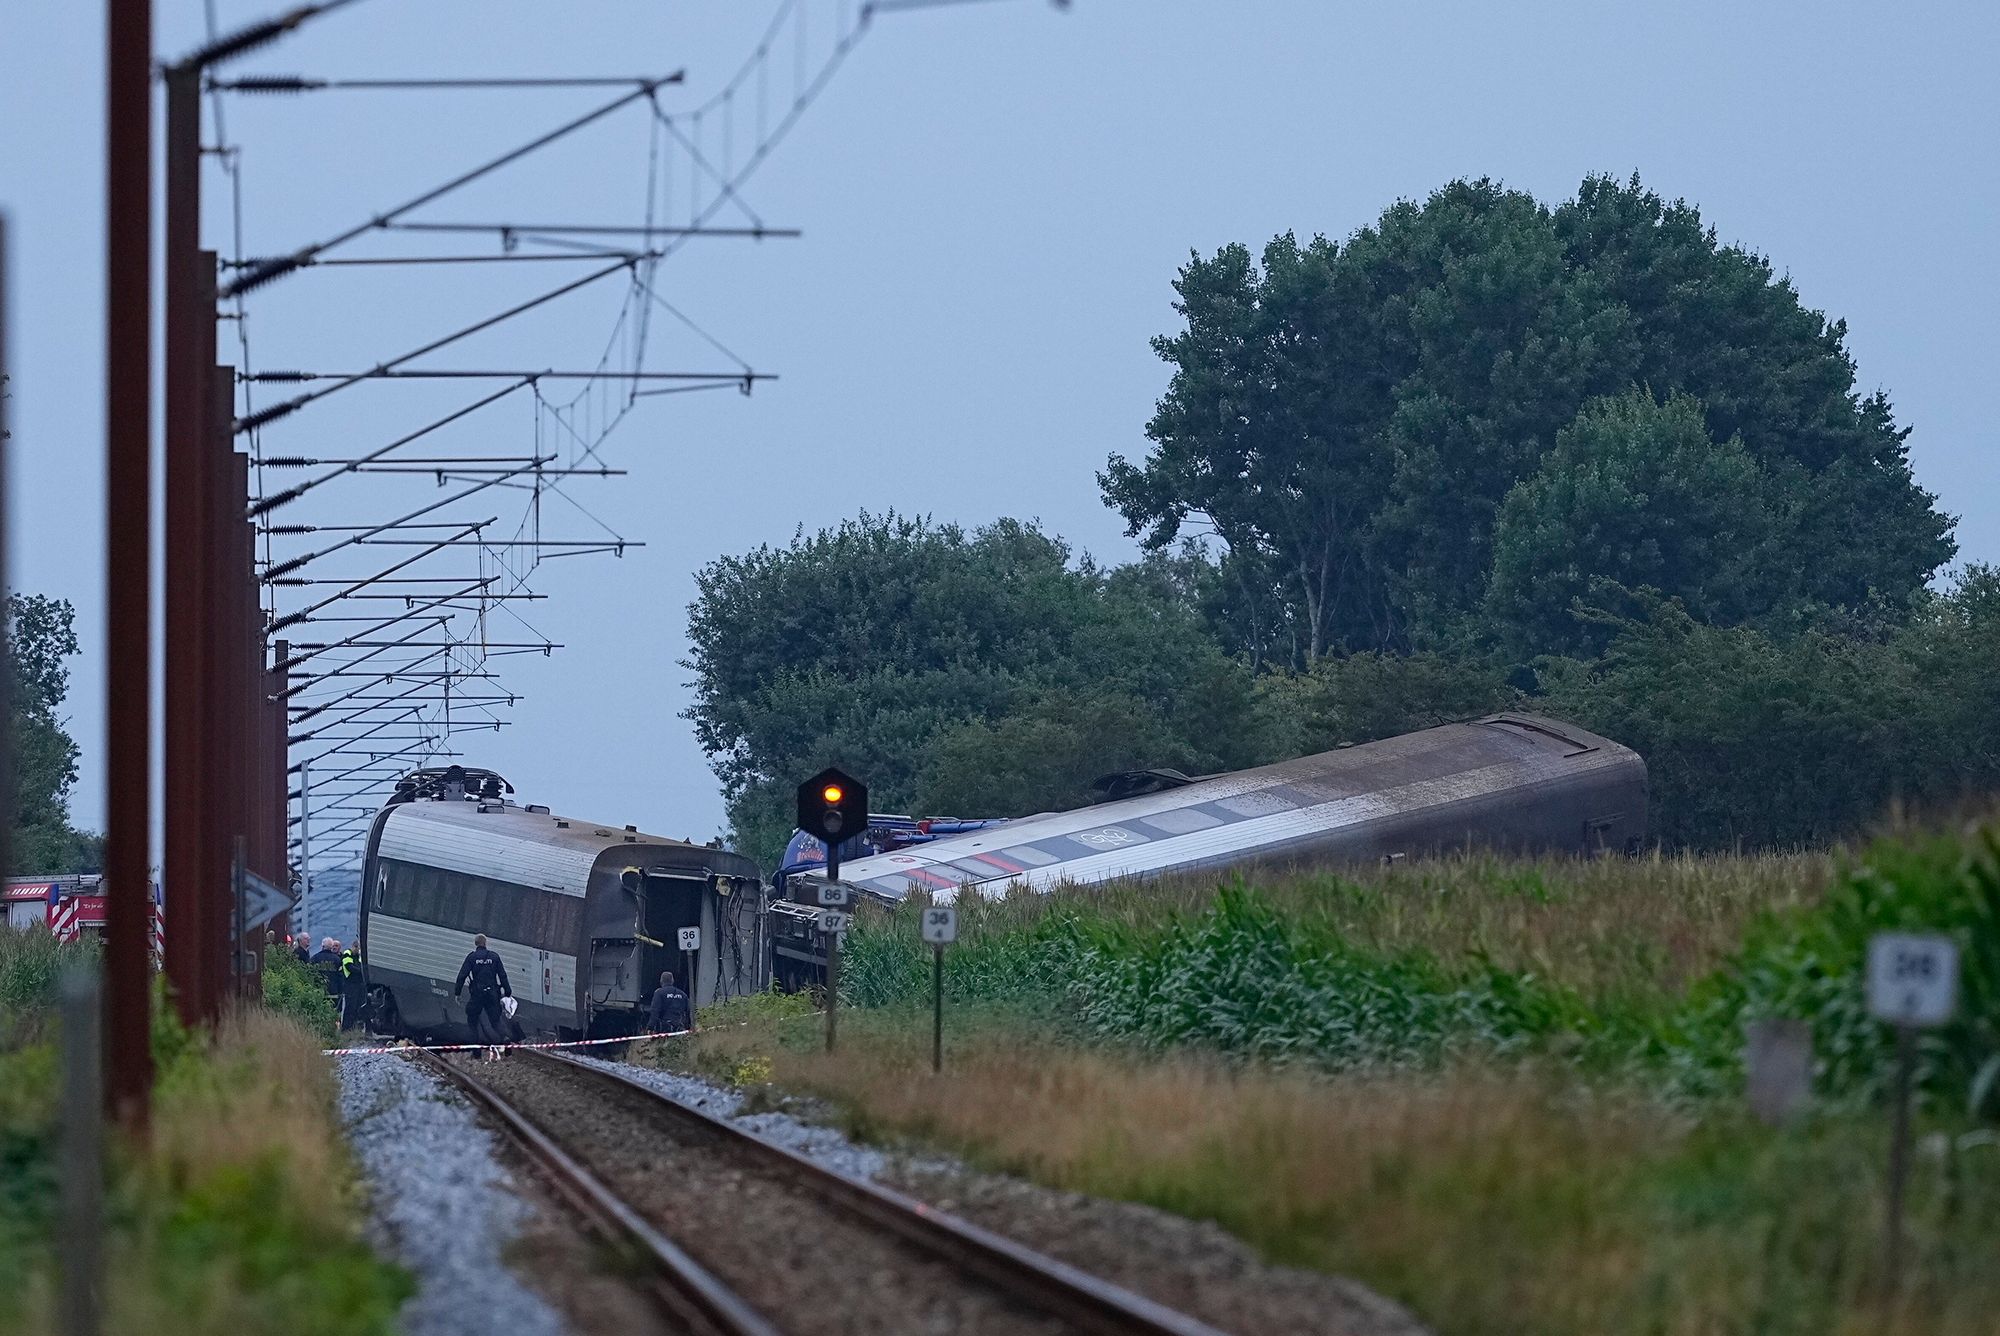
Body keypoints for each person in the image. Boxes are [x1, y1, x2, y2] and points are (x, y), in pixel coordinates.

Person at [454, 934, 513, 1060]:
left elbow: (462, 976)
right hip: (492, 994)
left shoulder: (472, 957)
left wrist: (457, 993)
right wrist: (507, 992)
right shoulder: (494, 957)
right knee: (495, 1020)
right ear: (485, 943)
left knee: (472, 1022)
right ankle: (505, 1038)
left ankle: (476, 1053)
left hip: (477, 995)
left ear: (476, 944)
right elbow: (503, 976)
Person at [646, 970, 691, 1035]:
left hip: (664, 1028)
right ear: (672, 981)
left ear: (661, 981)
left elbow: (655, 1011)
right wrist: (688, 1026)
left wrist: (651, 1027)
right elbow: (688, 1011)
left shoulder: (659, 993)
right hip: (679, 1027)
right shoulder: (683, 994)